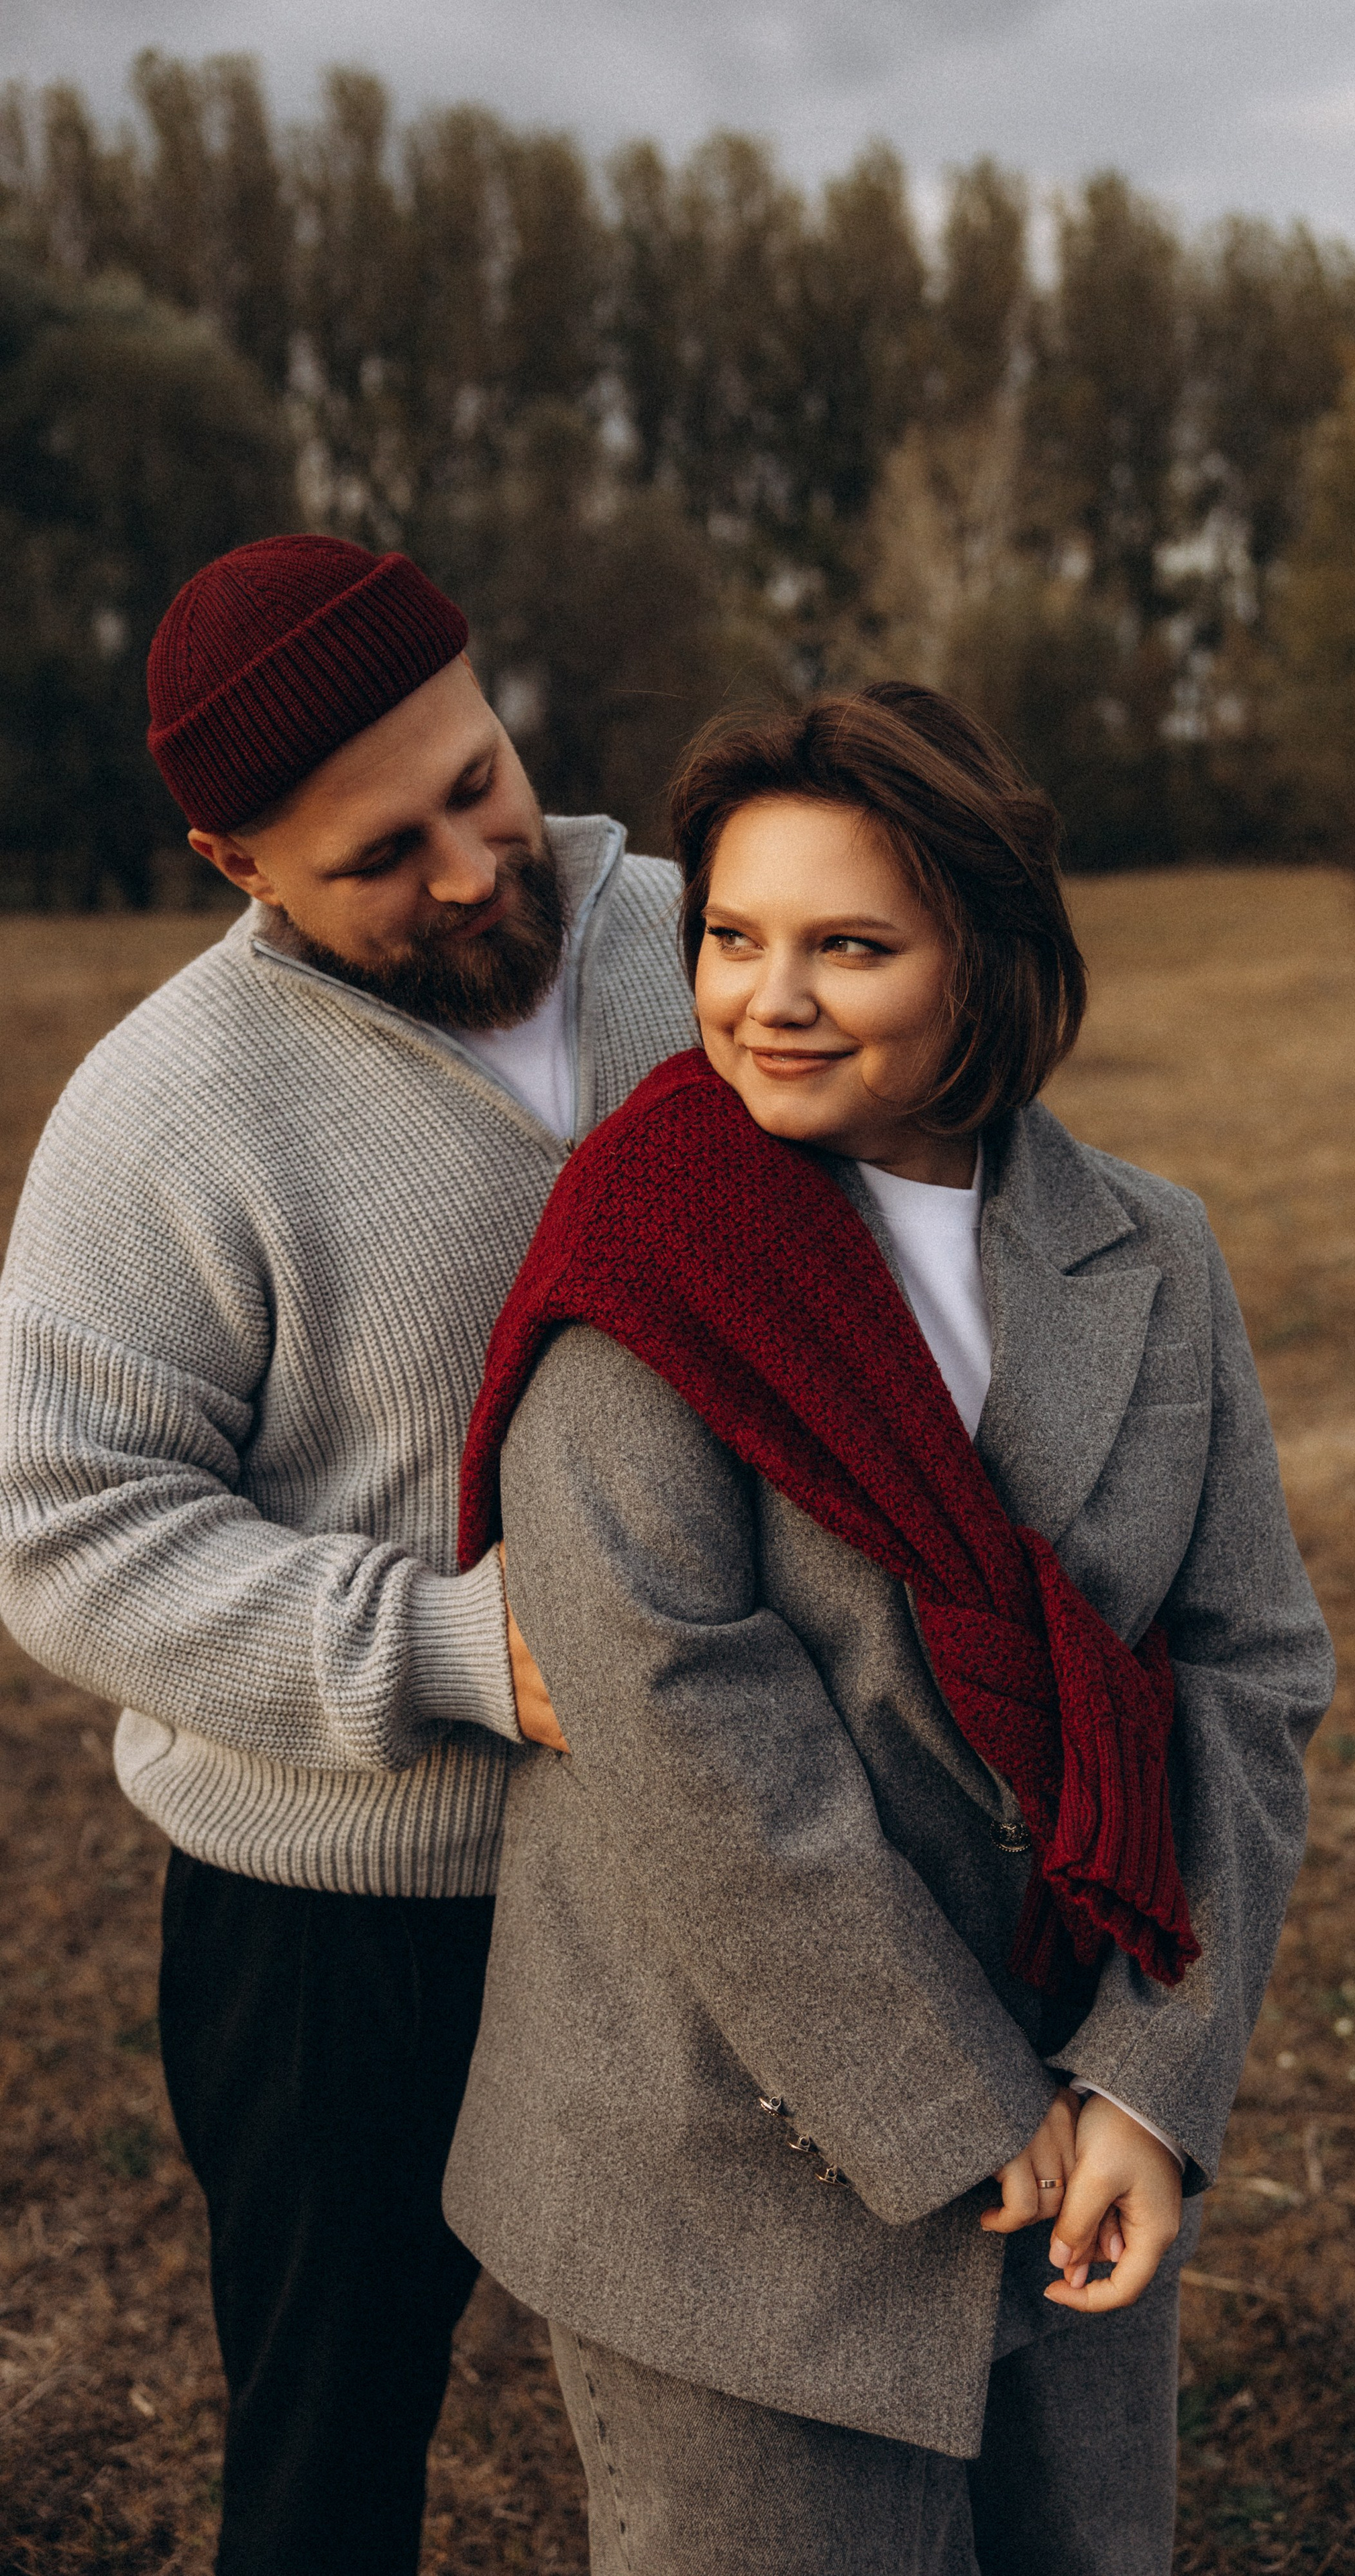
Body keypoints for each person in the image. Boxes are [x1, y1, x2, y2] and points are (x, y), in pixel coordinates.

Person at [446, 682, 1336, 2575]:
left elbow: (1244, 1680)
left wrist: (1144, 2090)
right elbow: (685, 1721)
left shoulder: (1148, 1252)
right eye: (734, 938)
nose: (770, 996)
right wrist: (958, 2103)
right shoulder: (641, 1254)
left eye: (850, 945)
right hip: (730, 2166)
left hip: (1080, 2129)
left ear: (985, 961)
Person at [0, 535, 696, 2575]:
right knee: (332, 2439)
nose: (477, 871)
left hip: (710, 1841)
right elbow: (63, 1529)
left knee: (744, 2396)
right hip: (337, 1917)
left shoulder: (697, 936)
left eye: (478, 783)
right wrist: (469, 1655)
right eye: (384, 856)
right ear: (237, 865)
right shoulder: (162, 1115)